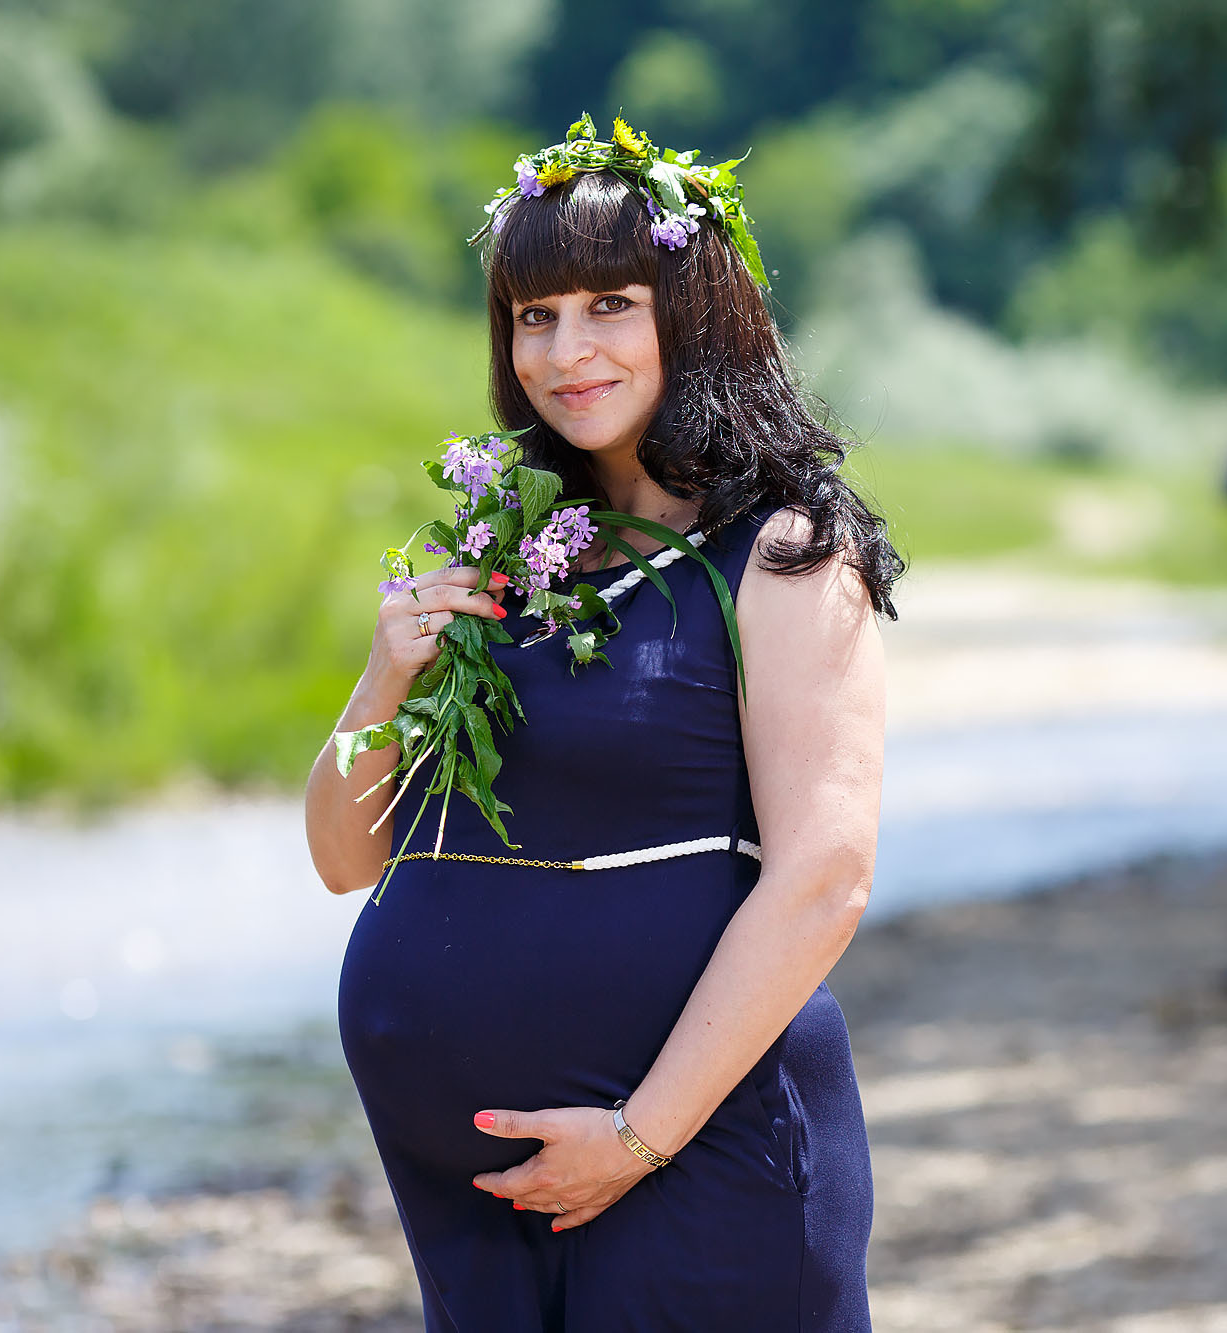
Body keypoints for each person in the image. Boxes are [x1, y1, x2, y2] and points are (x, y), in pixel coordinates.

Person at [303, 117, 899, 1330]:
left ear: (696, 314)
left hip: (694, 1157)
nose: (564, 351)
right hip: (475, 1196)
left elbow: (826, 875)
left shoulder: (780, 555)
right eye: (533, 316)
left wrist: (636, 1136)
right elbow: (345, 859)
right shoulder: (503, 556)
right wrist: (380, 684)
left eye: (607, 306)